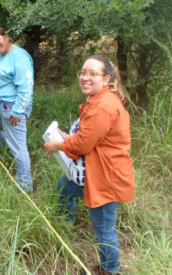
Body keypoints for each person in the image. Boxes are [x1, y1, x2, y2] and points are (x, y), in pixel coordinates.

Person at [44, 55, 135, 274]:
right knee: (64, 187)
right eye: (83, 72)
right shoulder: (99, 99)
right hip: (88, 174)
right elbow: (89, 136)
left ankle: (109, 269)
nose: (85, 77)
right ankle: (67, 223)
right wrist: (65, 137)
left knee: (104, 230)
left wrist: (58, 145)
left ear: (106, 79)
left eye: (92, 73)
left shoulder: (103, 106)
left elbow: (83, 144)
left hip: (105, 179)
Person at [0, 27, 34, 193]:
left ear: (7, 37)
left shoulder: (19, 56)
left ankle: (24, 186)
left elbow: (26, 87)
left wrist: (18, 111)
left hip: (13, 106)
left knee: (19, 147)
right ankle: (7, 148)